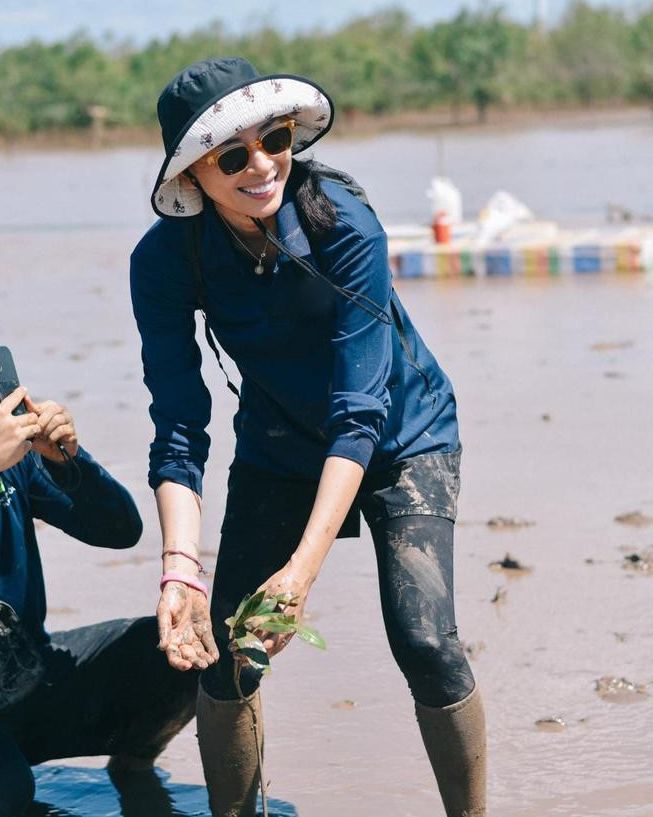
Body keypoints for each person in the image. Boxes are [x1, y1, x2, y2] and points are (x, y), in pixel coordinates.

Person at [130, 57, 487, 817]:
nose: (262, 166)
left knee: (424, 639)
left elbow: (359, 411)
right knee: (228, 653)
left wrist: (299, 573)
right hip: (278, 443)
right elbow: (179, 426)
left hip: (402, 434)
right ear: (192, 175)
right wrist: (178, 571)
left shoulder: (343, 223)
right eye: (232, 155)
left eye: (276, 139)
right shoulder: (164, 261)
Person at [0, 374, 200, 817]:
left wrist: (67, 459)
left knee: (181, 653)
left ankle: (135, 778)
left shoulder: (10, 454)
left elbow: (120, 530)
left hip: (25, 672)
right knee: (4, 791)